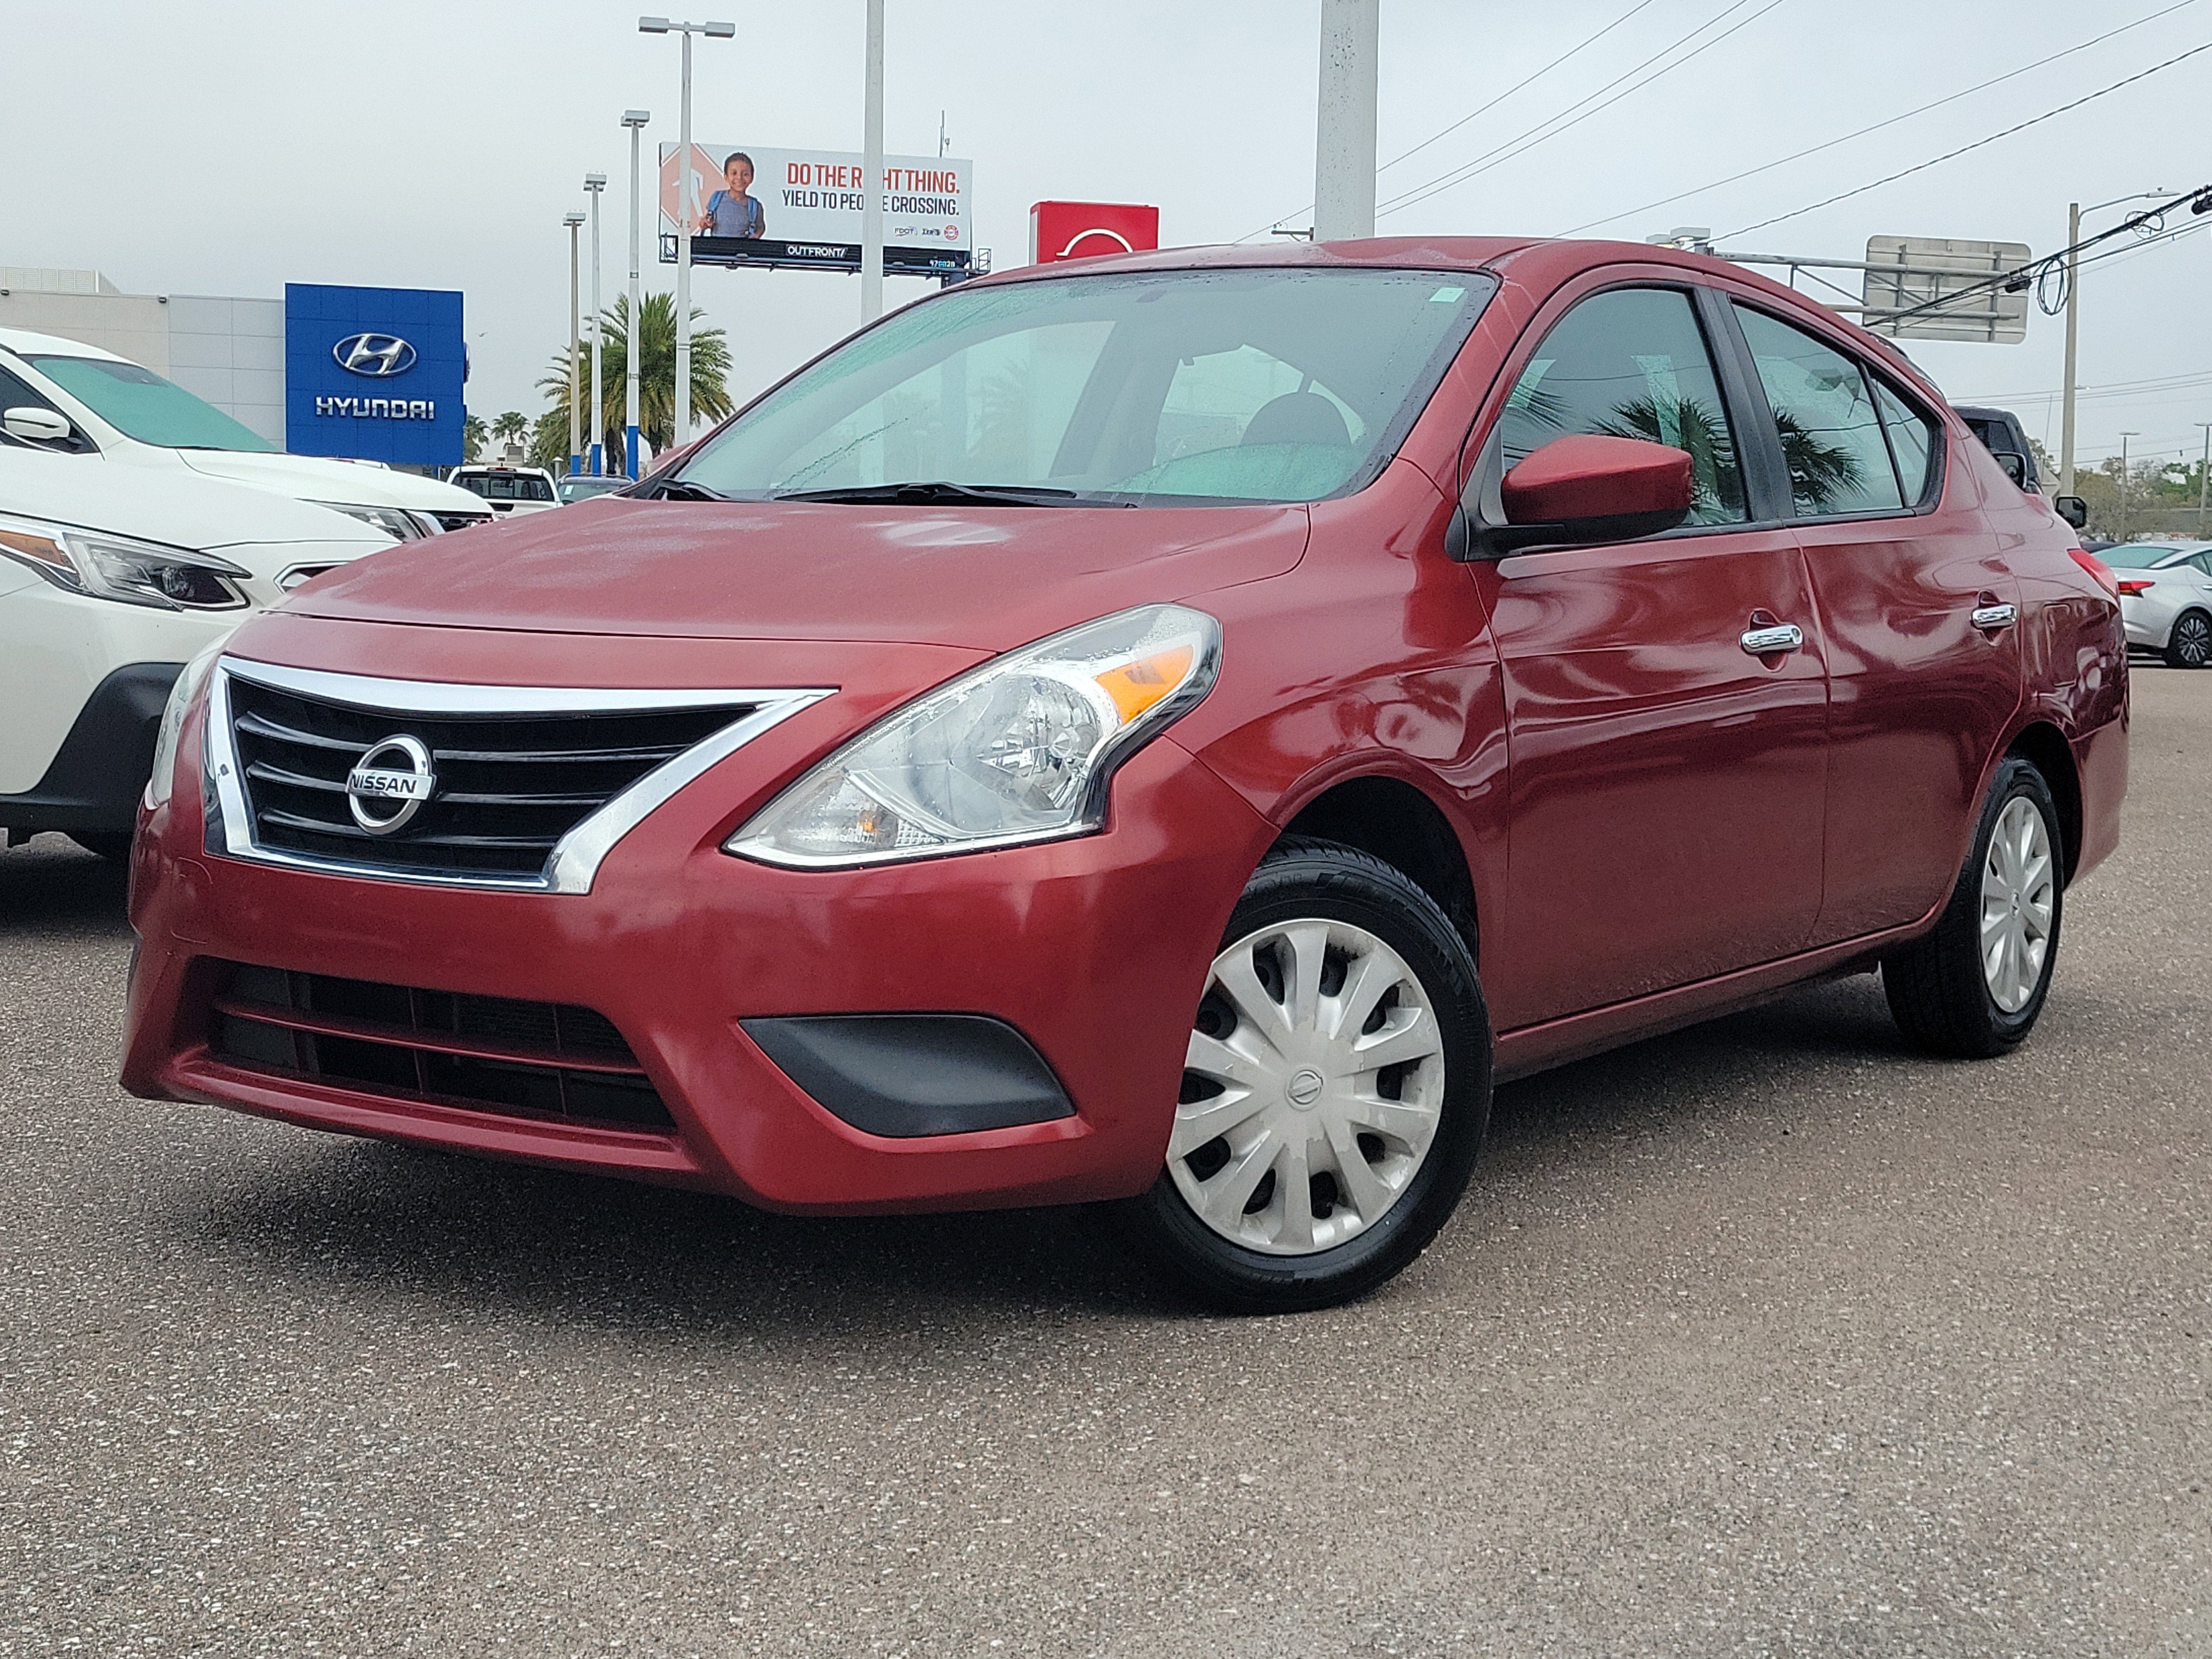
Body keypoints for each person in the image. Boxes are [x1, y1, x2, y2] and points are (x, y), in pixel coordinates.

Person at [698, 151, 766, 239]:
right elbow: (707, 218)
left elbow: (760, 227)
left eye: (745, 174)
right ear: (726, 177)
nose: (739, 178)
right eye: (734, 173)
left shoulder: (755, 206)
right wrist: (704, 224)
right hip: (717, 250)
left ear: (752, 178)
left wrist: (756, 235)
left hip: (742, 251)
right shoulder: (717, 198)